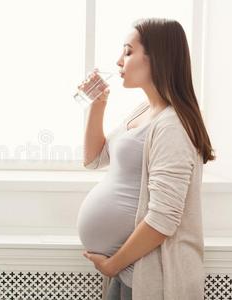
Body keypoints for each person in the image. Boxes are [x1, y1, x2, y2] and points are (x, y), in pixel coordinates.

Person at [76, 18, 215, 300]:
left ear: (158, 59)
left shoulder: (172, 126)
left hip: (150, 274)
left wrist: (113, 265)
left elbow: (164, 218)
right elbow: (93, 159)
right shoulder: (144, 111)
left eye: (128, 52)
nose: (118, 61)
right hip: (129, 269)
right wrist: (98, 104)